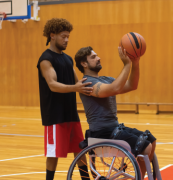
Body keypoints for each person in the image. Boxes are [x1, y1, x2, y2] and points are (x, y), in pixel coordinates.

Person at [74, 46, 157, 178]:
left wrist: (135, 63)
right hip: (101, 133)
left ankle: (139, 176)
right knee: (145, 147)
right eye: (94, 57)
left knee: (150, 140)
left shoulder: (106, 79)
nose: (98, 58)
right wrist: (126, 65)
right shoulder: (86, 84)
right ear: (84, 64)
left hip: (115, 129)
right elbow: (115, 88)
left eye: (97, 55)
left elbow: (132, 85)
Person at [37, 18, 92, 180]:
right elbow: (53, 85)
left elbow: (78, 82)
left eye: (68, 36)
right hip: (55, 115)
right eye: (63, 36)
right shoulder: (46, 59)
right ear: (52, 35)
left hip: (71, 113)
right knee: (54, 153)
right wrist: (76, 88)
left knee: (80, 148)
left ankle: (86, 178)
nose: (67, 40)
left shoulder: (67, 59)